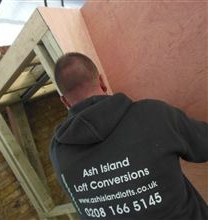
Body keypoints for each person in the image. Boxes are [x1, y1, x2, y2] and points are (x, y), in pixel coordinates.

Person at [50, 52, 208, 220]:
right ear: (102, 82)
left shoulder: (58, 151)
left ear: (65, 102)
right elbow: (203, 145)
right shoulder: (153, 114)